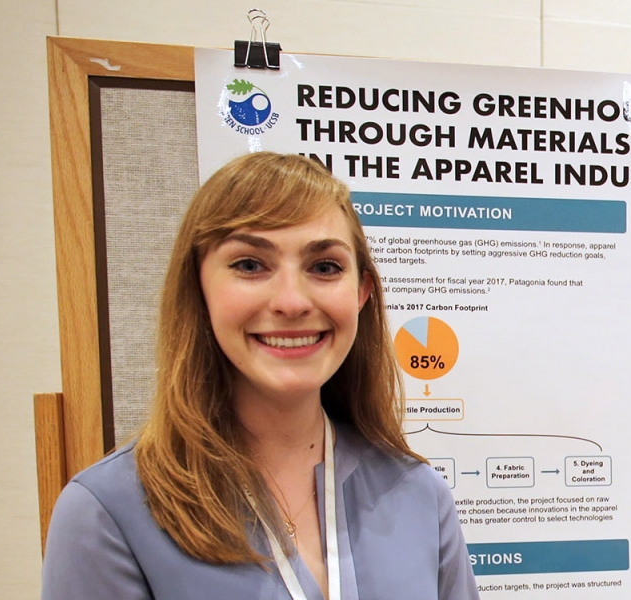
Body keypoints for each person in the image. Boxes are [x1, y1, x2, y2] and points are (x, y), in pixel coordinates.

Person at [41, 152, 479, 599]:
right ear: (199, 286)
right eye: (250, 265)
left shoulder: (418, 494)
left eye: (325, 267)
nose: (291, 301)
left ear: (362, 292)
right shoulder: (109, 512)